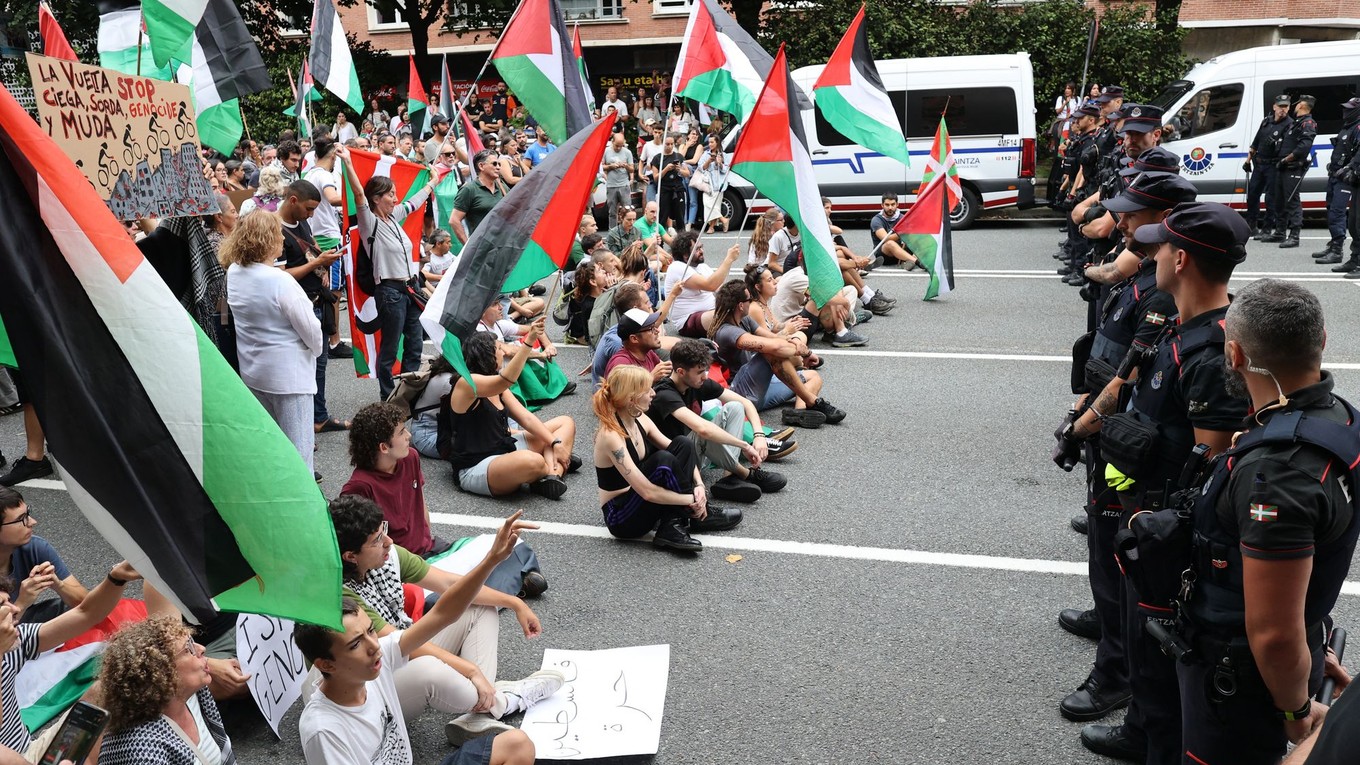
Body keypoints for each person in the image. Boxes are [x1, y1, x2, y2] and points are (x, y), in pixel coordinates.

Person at [1061, 202, 1251, 763]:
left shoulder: (1213, 351)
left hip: (1168, 527)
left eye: (1160, 246)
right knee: (1137, 631)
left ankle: (1153, 737)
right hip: (1139, 510)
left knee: (1161, 647)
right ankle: (1141, 724)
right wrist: (1079, 428)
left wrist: (1163, 527)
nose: (1150, 255)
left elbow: (1212, 463)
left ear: (1182, 259)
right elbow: (1127, 382)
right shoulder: (1175, 325)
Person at [1169, 279, 1356, 764]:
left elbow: (1273, 632)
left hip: (1244, 678)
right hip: (1297, 646)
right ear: (1321, 341)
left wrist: (1295, 710)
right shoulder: (1340, 419)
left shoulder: (1275, 474)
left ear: (1234, 354)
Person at [1052, 172, 1195, 728]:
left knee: (1120, 557)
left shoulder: (1162, 291)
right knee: (1105, 552)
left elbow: (1129, 378)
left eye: (1135, 212)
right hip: (1110, 437)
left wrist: (1080, 426)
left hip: (1128, 444)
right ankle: (1108, 623)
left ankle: (1115, 675)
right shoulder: (1140, 270)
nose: (1124, 220)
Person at [294, 512, 546, 765]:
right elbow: (413, 643)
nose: (375, 647)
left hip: (366, 678)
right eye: (356, 643)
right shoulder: (324, 731)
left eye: (371, 631)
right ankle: (500, 700)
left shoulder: (378, 657)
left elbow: (444, 611)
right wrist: (470, 671)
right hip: (360, 686)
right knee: (428, 667)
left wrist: (495, 564)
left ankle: (483, 704)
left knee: (517, 744)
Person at [0, 558, 142, 755]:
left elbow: (86, 614)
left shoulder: (15, 640)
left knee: (107, 687)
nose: (16, 609)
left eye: (9, 600)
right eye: (3, 605)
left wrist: (116, 578)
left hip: (29, 749)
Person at [592, 366, 741, 552]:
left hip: (640, 502)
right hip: (621, 517)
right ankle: (692, 516)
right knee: (662, 459)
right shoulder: (610, 436)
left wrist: (699, 486)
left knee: (683, 443)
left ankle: (674, 524)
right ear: (631, 399)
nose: (653, 393)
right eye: (647, 390)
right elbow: (647, 492)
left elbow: (681, 451)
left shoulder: (640, 418)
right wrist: (691, 499)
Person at [220, 211, 324, 472]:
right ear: (266, 239)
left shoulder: (234, 272)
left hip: (254, 371)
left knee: (270, 450)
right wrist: (314, 349)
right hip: (289, 376)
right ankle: (303, 496)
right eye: (278, 233)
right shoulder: (280, 280)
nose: (282, 238)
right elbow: (312, 330)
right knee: (299, 454)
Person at [339, 145, 435, 399]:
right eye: (391, 194)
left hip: (410, 289)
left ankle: (409, 394)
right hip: (390, 293)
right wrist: (348, 162)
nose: (396, 198)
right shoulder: (369, 222)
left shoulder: (394, 217)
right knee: (390, 349)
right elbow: (358, 194)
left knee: (415, 343)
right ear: (376, 198)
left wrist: (432, 182)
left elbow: (414, 203)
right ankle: (388, 398)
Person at [448, 326, 578, 500]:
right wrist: (529, 342)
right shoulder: (467, 383)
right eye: (499, 348)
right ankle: (555, 463)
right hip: (477, 465)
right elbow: (506, 380)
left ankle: (552, 475)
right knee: (533, 461)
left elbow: (526, 418)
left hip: (506, 450)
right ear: (486, 354)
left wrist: (554, 443)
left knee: (565, 422)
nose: (503, 352)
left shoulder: (495, 381)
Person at [651, 338, 789, 502]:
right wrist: (745, 445)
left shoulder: (697, 382)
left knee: (735, 407)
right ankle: (744, 473)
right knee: (702, 432)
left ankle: (729, 479)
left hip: (697, 455)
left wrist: (759, 435)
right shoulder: (664, 393)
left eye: (705, 370)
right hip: (677, 462)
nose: (704, 376)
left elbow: (745, 403)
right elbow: (702, 429)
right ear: (681, 372)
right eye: (699, 372)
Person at [93, 615, 236, 765]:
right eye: (188, 649)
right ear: (162, 673)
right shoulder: (142, 753)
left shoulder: (194, 692)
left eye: (192, 641)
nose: (201, 649)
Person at [710, 280, 844, 427]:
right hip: (740, 394)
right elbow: (775, 347)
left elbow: (773, 338)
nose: (752, 302)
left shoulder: (744, 320)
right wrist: (800, 352)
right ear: (741, 305)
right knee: (771, 352)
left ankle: (800, 412)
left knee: (813, 376)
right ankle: (813, 402)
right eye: (749, 299)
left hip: (760, 388)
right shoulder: (727, 331)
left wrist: (800, 347)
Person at [276, 179, 348, 442]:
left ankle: (318, 417)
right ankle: (302, 425)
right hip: (299, 308)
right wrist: (317, 263)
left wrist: (323, 262)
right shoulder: (276, 230)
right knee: (302, 369)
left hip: (317, 301)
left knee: (320, 364)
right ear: (293, 200)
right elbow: (280, 275)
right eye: (309, 209)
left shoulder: (302, 222)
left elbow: (312, 246)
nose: (311, 215)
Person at [342, 401, 453, 558]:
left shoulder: (411, 457)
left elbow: (421, 504)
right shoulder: (359, 486)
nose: (409, 435)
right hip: (398, 562)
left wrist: (427, 540)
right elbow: (358, 544)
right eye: (401, 432)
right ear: (384, 447)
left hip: (429, 549)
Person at [0, 487, 87, 624]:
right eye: (21, 519)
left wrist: (59, 585)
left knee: (68, 609)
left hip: (19, 620)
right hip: (7, 629)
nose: (32, 522)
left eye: (28, 514)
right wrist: (22, 603)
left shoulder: (34, 547)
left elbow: (87, 605)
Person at [302, 137, 352, 361]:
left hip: (315, 235)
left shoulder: (309, 174)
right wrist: (357, 196)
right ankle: (334, 341)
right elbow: (333, 199)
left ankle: (326, 339)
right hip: (329, 238)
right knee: (334, 292)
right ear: (333, 155)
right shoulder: (324, 175)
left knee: (323, 290)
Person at [1263, 95, 1317, 248]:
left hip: (1292, 167)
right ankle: (1280, 232)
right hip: (1282, 167)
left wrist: (1286, 159)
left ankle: (1294, 236)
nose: (1295, 106)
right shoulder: (1296, 123)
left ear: (1301, 106)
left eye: (1297, 104)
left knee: (1292, 201)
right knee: (1279, 201)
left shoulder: (1308, 123)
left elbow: (1304, 147)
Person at [663, 233, 742, 330]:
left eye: (701, 247)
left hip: (710, 312)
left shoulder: (702, 267)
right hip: (688, 319)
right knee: (727, 316)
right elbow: (711, 285)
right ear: (685, 255)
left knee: (743, 309)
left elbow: (722, 290)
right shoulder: (676, 267)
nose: (702, 251)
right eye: (697, 249)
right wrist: (729, 259)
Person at [1319, 96, 1360, 270]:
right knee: (1334, 212)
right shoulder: (1347, 126)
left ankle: (1338, 251)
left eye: (1349, 109)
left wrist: (1350, 168)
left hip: (1347, 178)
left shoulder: (1357, 127)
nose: (1345, 111)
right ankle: (1336, 246)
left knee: (1339, 213)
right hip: (1336, 175)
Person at [1244, 95, 1293, 242]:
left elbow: (1287, 147)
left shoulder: (1290, 124)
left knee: (1271, 198)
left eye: (1285, 107)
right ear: (1274, 107)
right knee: (1252, 194)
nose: (1283, 109)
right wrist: (1248, 160)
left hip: (1273, 165)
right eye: (1280, 106)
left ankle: (1267, 229)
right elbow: (1255, 143)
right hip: (1259, 164)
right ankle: (1251, 226)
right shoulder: (1266, 121)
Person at [451, 149, 507, 245]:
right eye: (494, 164)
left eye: (499, 164)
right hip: (481, 247)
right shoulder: (469, 189)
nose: (498, 167)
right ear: (481, 166)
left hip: (504, 244)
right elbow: (454, 220)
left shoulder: (502, 187)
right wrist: (467, 246)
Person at [869, 194, 924, 270]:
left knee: (920, 236)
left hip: (902, 251)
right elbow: (886, 239)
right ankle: (917, 262)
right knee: (890, 243)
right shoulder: (876, 220)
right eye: (887, 205)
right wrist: (903, 232)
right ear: (882, 205)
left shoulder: (903, 218)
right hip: (886, 254)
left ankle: (909, 260)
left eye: (892, 204)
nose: (890, 208)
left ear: (897, 205)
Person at [649, 134, 690, 231]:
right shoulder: (657, 158)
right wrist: (666, 169)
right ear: (663, 144)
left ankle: (682, 238)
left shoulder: (679, 156)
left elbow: (687, 173)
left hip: (678, 189)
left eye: (672, 144)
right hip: (664, 189)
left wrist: (679, 169)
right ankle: (660, 238)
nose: (670, 146)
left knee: (680, 217)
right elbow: (655, 178)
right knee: (662, 217)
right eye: (667, 144)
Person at [697, 134, 729, 233]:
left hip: (719, 184)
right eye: (709, 142)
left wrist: (720, 163)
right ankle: (724, 219)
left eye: (712, 142)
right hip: (708, 184)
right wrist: (709, 160)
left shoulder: (724, 155)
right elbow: (700, 168)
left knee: (716, 206)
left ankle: (711, 227)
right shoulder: (705, 154)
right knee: (707, 204)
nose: (710, 144)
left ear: (717, 142)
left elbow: (726, 170)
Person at [602, 132, 635, 228]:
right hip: (611, 185)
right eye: (617, 146)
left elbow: (632, 169)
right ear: (612, 142)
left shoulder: (627, 152)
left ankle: (628, 230)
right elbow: (601, 167)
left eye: (621, 146)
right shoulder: (606, 151)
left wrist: (626, 166)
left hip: (624, 185)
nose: (619, 148)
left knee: (627, 210)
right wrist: (610, 166)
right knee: (612, 212)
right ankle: (612, 231)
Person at [680, 128, 704, 229]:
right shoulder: (682, 146)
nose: (694, 136)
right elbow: (680, 157)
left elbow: (694, 161)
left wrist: (683, 162)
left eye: (696, 134)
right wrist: (687, 146)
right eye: (692, 134)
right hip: (682, 174)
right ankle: (684, 221)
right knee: (684, 200)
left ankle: (690, 222)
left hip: (692, 174)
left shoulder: (699, 146)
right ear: (688, 135)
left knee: (692, 200)